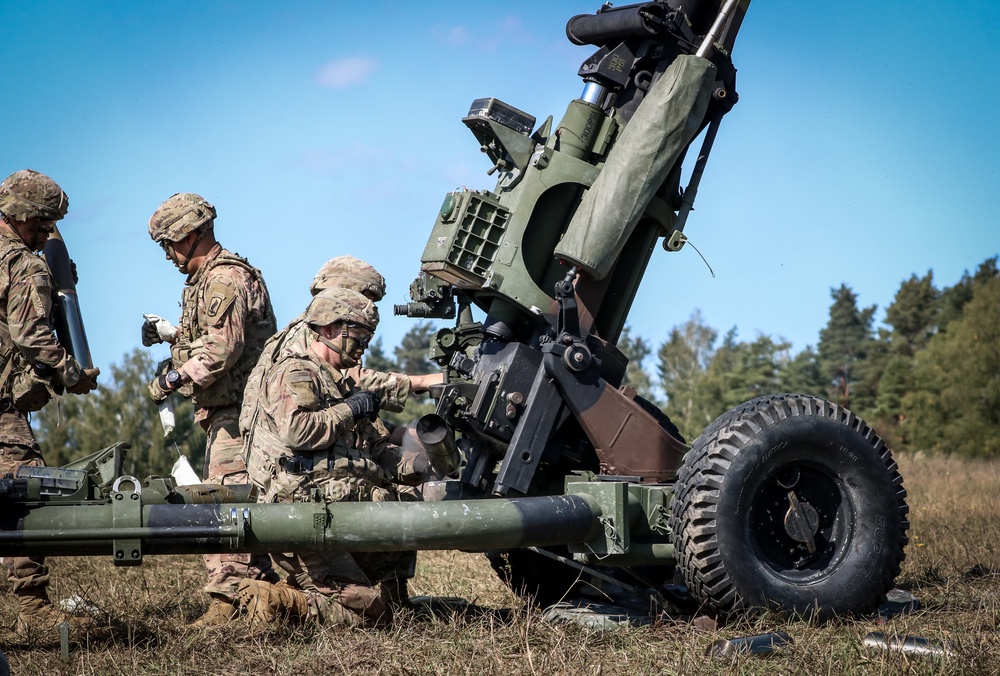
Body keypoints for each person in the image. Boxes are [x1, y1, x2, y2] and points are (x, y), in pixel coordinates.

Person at [239, 288, 426, 627]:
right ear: (328, 329)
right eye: (357, 338)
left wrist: (421, 465)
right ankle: (277, 600)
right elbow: (297, 431)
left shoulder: (343, 384)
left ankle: (320, 589)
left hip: (341, 510)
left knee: (405, 521)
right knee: (369, 613)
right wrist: (348, 410)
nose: (364, 346)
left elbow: (378, 452)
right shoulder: (296, 372)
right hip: (303, 515)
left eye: (368, 338)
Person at [143, 192, 277, 627]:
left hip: (242, 416)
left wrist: (173, 380)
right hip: (227, 413)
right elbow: (209, 336)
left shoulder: (224, 279)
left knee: (225, 507)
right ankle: (251, 596)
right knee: (231, 502)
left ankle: (233, 601)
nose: (167, 255)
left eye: (169, 244)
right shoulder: (205, 282)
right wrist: (172, 338)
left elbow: (222, 347)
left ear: (191, 234)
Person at [0, 169, 100, 633]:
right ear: (23, 217)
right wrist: (73, 373)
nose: (44, 235)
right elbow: (33, 336)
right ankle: (33, 610)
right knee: (26, 492)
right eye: (41, 224)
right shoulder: (23, 264)